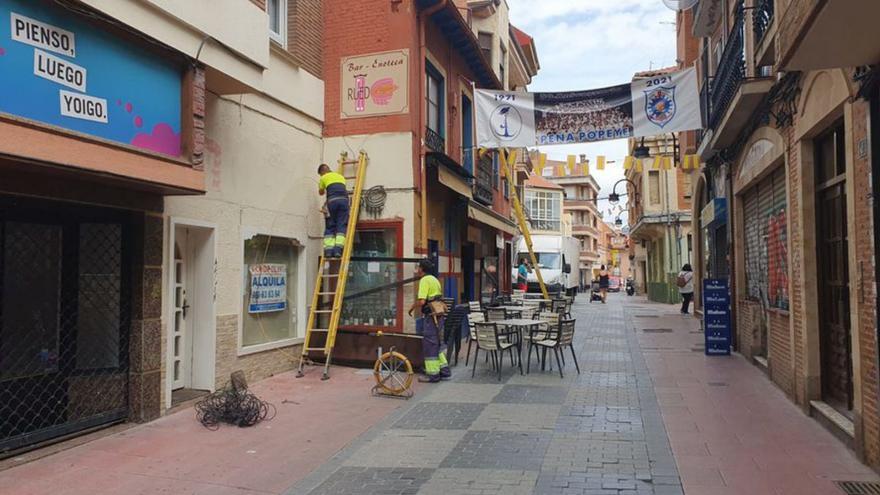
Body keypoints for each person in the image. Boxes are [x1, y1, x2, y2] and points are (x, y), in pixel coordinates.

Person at [408, 259, 451, 382]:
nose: (417, 269)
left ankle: (433, 374)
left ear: (421, 269)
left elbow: (422, 301)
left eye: (418, 267)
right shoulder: (434, 279)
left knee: (430, 344)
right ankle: (444, 370)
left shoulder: (424, 280)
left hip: (431, 317)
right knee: (437, 343)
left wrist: (411, 307)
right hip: (438, 315)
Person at [317, 163, 349, 258]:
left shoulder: (324, 177)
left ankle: (328, 251)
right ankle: (338, 250)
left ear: (322, 171)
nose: (321, 176)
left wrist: (321, 186)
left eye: (320, 174)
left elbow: (321, 193)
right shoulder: (341, 177)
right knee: (341, 225)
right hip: (344, 201)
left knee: (330, 225)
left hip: (333, 201)